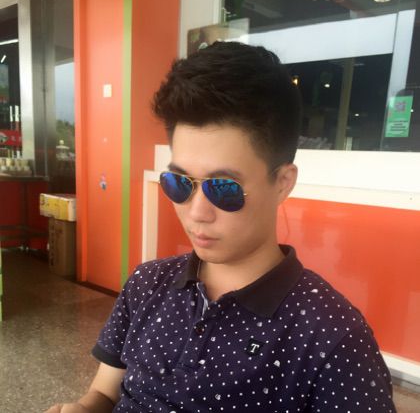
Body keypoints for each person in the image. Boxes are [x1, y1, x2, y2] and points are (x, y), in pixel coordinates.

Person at [46, 41, 396, 412]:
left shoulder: (333, 338)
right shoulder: (146, 284)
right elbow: (105, 393)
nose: (196, 212)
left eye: (223, 188)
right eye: (179, 183)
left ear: (282, 183)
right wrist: (84, 408)